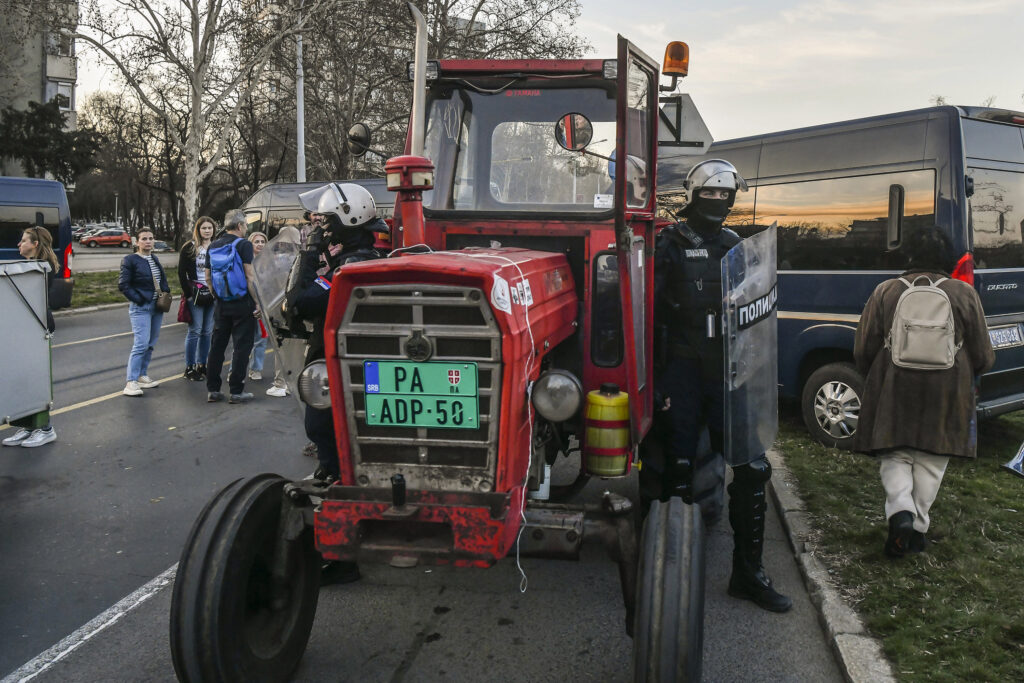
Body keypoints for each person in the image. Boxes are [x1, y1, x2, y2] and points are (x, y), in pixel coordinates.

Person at [651, 158, 792, 612]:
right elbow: (647, 318)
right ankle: (667, 580)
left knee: (753, 470)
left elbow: (755, 314)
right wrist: (654, 382)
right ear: (693, 195)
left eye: (725, 194)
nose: (717, 201)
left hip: (728, 375)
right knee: (676, 474)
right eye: (709, 193)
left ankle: (748, 575)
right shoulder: (668, 245)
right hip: (682, 371)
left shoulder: (738, 246)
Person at [853, 229, 995, 557]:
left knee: (895, 453)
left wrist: (874, 375)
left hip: (893, 387)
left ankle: (901, 511)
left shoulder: (886, 291)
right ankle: (916, 528)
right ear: (948, 260)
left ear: (908, 257)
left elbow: (863, 348)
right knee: (932, 460)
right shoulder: (964, 293)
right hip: (946, 391)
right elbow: (984, 355)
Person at [286, 182, 385, 586]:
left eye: (326, 222)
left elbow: (300, 301)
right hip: (346, 366)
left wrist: (310, 257)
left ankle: (345, 556)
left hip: (343, 370)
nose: (319, 228)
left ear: (349, 220)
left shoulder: (353, 266)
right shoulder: (355, 258)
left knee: (335, 448)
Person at [2, 227, 59, 447]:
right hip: (23, 328)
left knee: (36, 377)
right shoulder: (29, 266)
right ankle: (28, 427)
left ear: (35, 244)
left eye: (23, 240)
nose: (19, 244)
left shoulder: (42, 268)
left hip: (38, 327)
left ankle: (45, 428)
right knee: (22, 375)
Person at [204, 209, 259, 404]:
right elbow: (249, 276)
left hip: (221, 304)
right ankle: (236, 390)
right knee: (241, 347)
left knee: (217, 346)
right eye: (245, 225)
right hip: (242, 302)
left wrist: (217, 296)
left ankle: (213, 389)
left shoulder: (213, 245)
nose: (246, 228)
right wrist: (257, 302)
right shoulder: (243, 245)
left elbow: (208, 277)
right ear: (239, 226)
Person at [118, 227, 170, 397]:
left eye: (150, 238)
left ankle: (142, 375)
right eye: (144, 238)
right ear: (137, 242)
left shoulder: (154, 258)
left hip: (157, 307)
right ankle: (130, 381)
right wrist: (139, 299)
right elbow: (124, 285)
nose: (148, 241)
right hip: (141, 308)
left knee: (150, 343)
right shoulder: (130, 260)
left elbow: (162, 279)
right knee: (140, 344)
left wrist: (165, 291)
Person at [178, 216, 217, 381]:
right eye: (204, 228)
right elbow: (181, 272)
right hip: (196, 295)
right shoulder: (190, 247)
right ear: (198, 230)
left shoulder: (216, 247)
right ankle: (190, 367)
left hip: (213, 294)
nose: (207, 231)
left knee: (207, 332)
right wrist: (188, 294)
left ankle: (202, 365)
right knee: (195, 330)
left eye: (210, 228)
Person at [247, 231, 269, 381]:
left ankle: (256, 369)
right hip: (249, 304)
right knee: (244, 339)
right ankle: (234, 370)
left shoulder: (269, 261)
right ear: (251, 244)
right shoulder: (246, 262)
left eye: (262, 241)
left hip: (265, 304)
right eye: (257, 241)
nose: (260, 244)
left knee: (262, 338)